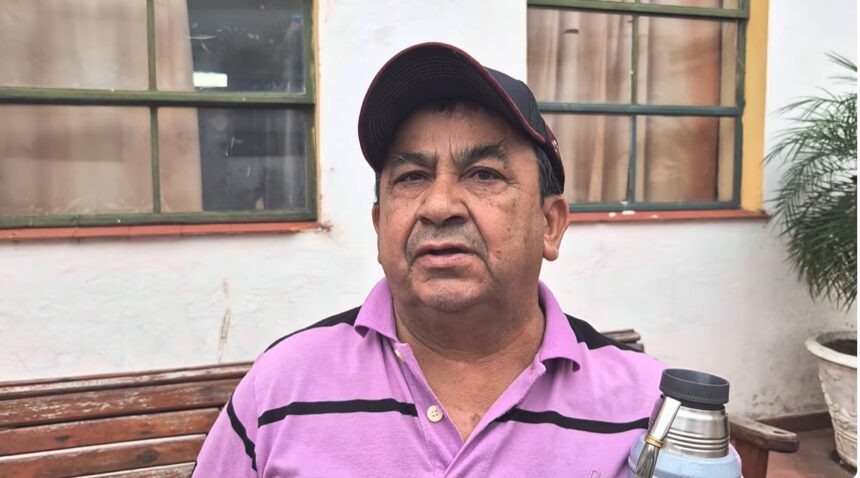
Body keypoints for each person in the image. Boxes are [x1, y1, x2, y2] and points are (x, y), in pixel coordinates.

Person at [192, 42, 663, 477]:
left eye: (483, 174)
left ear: (550, 224)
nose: (439, 206)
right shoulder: (280, 391)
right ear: (380, 226)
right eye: (412, 177)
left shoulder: (651, 414)